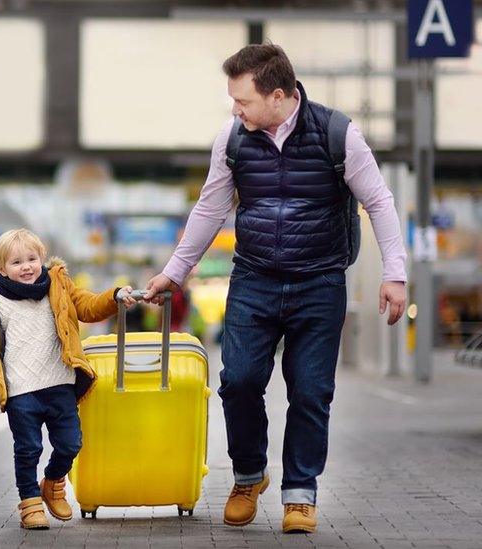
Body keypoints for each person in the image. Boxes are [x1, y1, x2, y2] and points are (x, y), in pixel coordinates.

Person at [144, 43, 408, 534]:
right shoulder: (233, 138)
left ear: (280, 95)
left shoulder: (337, 134)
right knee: (238, 381)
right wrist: (174, 272)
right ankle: (249, 475)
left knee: (310, 392)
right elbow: (209, 209)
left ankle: (300, 494)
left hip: (320, 281)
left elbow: (379, 201)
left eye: (242, 100)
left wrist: (395, 273)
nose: (235, 109)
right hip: (254, 279)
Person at [0, 228, 136, 530]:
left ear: (42, 259)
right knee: (28, 449)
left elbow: (89, 306)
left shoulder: (60, 287)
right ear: (0, 270)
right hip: (20, 393)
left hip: (60, 385)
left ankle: (52, 483)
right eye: (16, 262)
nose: (26, 266)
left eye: (31, 258)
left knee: (70, 444)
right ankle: (29, 503)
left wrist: (114, 296)